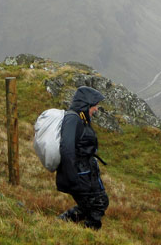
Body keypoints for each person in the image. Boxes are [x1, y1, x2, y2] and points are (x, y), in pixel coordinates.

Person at [56, 86, 109, 230]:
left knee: (96, 203)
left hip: (86, 171)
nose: (97, 109)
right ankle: (89, 234)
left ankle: (60, 223)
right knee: (97, 204)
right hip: (80, 173)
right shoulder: (73, 119)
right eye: (94, 106)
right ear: (86, 105)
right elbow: (67, 149)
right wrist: (72, 176)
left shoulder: (81, 118)